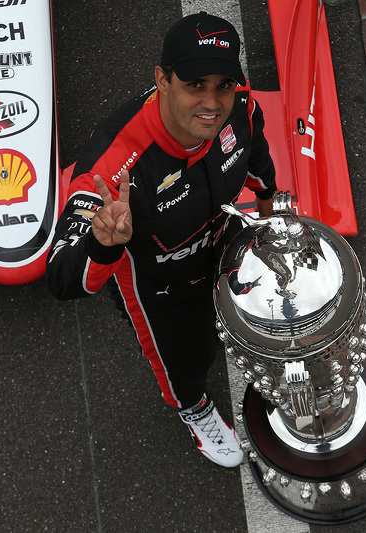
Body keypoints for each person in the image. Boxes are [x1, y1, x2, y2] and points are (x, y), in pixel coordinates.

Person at [46, 12, 276, 468]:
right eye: (195, 85)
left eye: (222, 85)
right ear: (162, 80)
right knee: (188, 359)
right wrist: (106, 243)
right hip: (161, 290)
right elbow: (61, 278)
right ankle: (192, 407)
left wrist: (269, 219)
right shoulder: (109, 170)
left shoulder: (242, 107)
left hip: (222, 244)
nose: (211, 103)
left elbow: (259, 164)